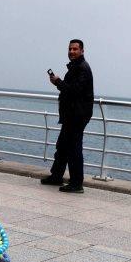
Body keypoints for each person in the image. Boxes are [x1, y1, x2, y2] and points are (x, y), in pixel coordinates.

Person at [41, 38, 94, 192]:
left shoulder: (82, 68)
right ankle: (56, 176)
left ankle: (77, 183)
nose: (71, 52)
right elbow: (70, 90)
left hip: (78, 115)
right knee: (63, 146)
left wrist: (58, 82)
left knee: (74, 149)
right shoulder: (75, 67)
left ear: (82, 51)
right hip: (71, 115)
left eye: (75, 49)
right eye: (70, 49)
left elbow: (75, 91)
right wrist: (59, 83)